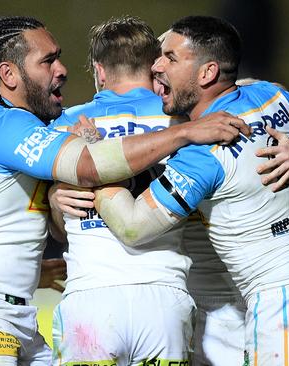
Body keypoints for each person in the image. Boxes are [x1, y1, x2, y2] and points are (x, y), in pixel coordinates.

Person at [0, 15, 250, 366]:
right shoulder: (8, 125)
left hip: (26, 315)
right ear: (8, 75)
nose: (62, 69)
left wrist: (55, 198)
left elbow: (61, 219)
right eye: (47, 61)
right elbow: (89, 165)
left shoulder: (41, 122)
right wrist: (185, 133)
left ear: (100, 71)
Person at [94, 16, 289, 366]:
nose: (156, 66)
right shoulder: (271, 96)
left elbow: (133, 227)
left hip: (286, 307)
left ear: (207, 73)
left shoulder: (203, 152)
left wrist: (97, 168)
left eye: (170, 58)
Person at [47, 16, 194, 365]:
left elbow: (58, 230)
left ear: (99, 70)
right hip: (163, 295)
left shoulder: (64, 124)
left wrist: (55, 195)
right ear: (155, 66)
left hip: (91, 296)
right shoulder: (181, 122)